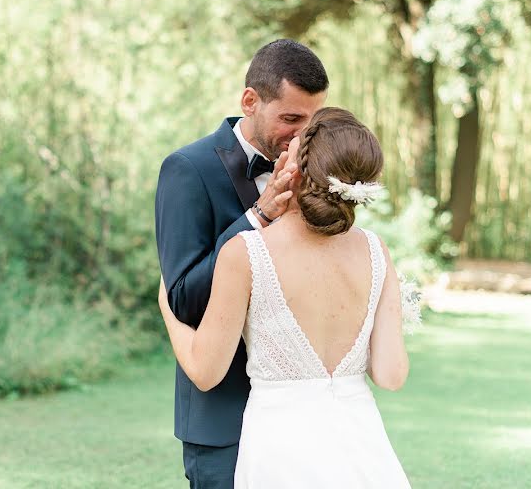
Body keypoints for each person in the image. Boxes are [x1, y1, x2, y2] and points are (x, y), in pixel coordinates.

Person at [158, 107, 411, 487]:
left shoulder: (246, 253)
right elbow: (390, 376)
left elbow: (206, 372)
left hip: (279, 451)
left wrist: (167, 304)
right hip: (362, 446)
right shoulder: (376, 251)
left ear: (297, 167)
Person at [154, 39, 329, 488]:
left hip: (301, 414)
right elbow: (184, 299)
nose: (301, 134)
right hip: (223, 420)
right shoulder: (187, 169)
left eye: (312, 120)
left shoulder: (316, 171)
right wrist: (258, 217)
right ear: (250, 101)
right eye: (290, 118)